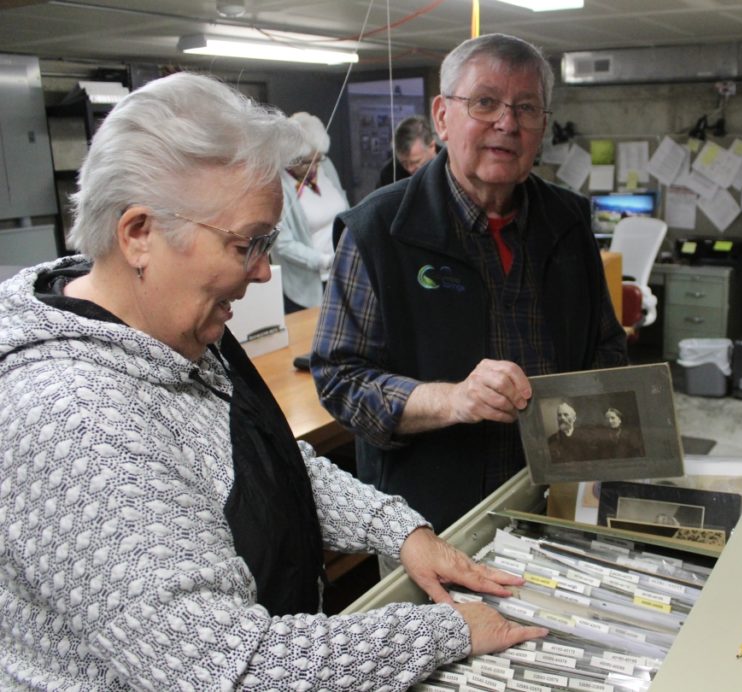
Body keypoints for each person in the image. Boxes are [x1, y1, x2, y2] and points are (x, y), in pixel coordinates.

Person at [0, 72, 548, 690]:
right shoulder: (72, 419)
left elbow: (267, 464)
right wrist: (448, 631)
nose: (265, 272)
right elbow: (232, 669)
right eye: (248, 244)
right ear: (139, 234)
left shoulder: (169, 329)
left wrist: (400, 532)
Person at [312, 33, 627, 536]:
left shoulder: (568, 221)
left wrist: (586, 426)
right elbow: (340, 379)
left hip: (559, 506)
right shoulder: (378, 230)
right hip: (431, 523)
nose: (507, 123)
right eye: (485, 102)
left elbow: (607, 346)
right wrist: (453, 400)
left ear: (542, 126)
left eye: (526, 108)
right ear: (442, 116)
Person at [271, 111, 349, 313]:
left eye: (318, 159)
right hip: (307, 286)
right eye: (307, 162)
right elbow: (283, 244)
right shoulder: (278, 184)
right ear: (290, 159)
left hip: (341, 274)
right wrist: (325, 261)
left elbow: (345, 209)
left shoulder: (326, 166)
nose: (314, 167)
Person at [376, 114, 440, 188]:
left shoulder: (451, 164)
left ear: (432, 146)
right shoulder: (389, 174)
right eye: (404, 163)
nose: (410, 169)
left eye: (416, 161)